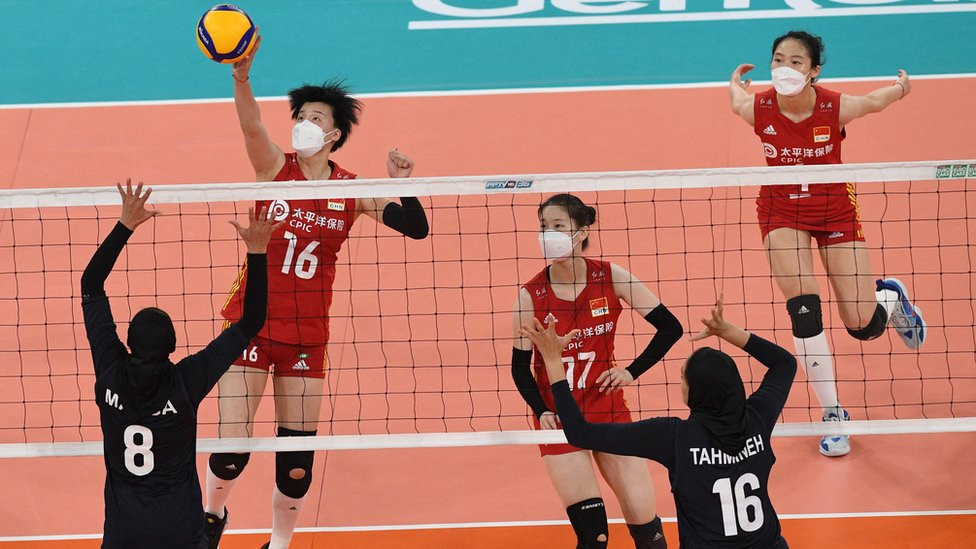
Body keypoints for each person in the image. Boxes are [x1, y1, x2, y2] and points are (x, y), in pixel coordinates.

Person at [203, 34, 430, 549]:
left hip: (307, 334)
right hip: (250, 326)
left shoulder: (351, 191)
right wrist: (241, 77)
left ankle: (280, 543)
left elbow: (416, 229)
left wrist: (402, 184)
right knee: (231, 448)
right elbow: (250, 124)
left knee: (297, 461)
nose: (304, 123)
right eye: (301, 115)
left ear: (334, 134)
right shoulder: (272, 167)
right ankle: (211, 516)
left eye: (316, 117)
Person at [728, 30, 926, 456]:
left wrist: (900, 88)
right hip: (780, 212)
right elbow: (736, 101)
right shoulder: (757, 109)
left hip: (835, 209)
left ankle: (889, 300)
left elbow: (874, 102)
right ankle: (833, 413)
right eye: (778, 59)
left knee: (862, 326)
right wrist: (734, 84)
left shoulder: (835, 107)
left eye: (795, 61)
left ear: (814, 71)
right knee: (804, 310)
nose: (784, 68)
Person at [81, 179, 276, 548]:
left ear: (128, 342)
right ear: (172, 347)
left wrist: (125, 224)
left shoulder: (110, 370)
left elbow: (91, 284)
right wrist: (257, 250)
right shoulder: (185, 381)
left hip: (124, 534)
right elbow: (251, 321)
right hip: (180, 532)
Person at [521, 297, 797, 548]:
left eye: (683, 378)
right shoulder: (758, 418)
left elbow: (578, 433)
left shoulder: (674, 436)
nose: (680, 383)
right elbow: (785, 363)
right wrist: (729, 332)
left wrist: (553, 361)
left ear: (694, 392)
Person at [512, 193, 683, 548]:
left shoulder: (610, 276)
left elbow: (671, 328)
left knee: (649, 533)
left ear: (582, 231)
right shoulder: (530, 296)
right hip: (559, 420)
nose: (548, 234)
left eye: (558, 226)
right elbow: (519, 369)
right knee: (595, 538)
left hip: (608, 411)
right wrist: (541, 410)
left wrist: (631, 372)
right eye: (543, 227)